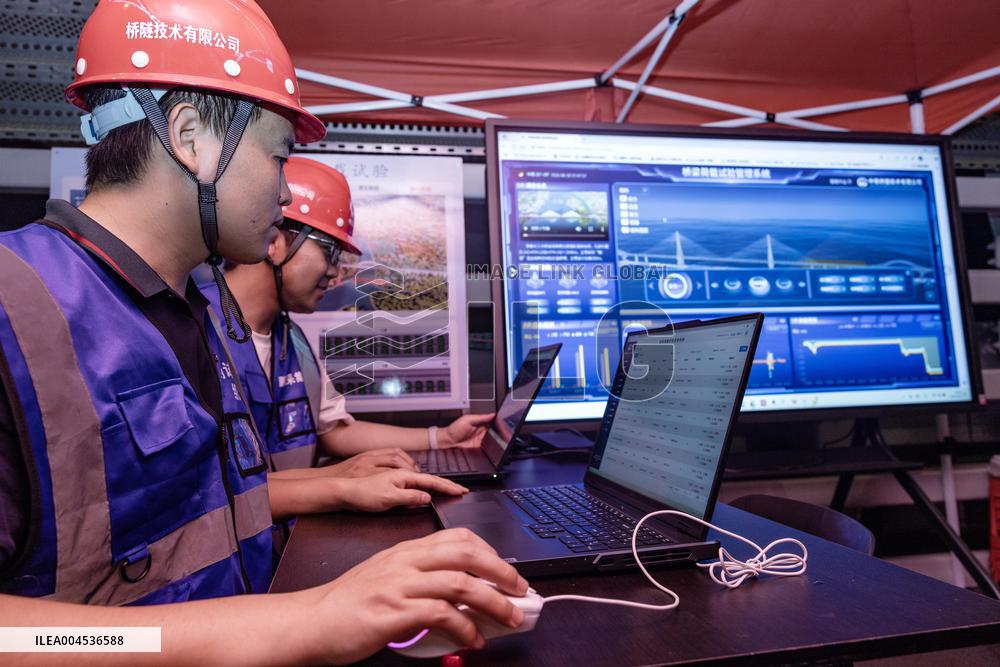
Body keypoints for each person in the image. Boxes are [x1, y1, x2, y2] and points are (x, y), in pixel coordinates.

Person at [0, 1, 527, 662]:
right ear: (192, 136)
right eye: (278, 156)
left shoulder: (192, 307)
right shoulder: (12, 306)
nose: (283, 195)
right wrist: (298, 620)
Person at [217, 155, 494, 474]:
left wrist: (441, 437)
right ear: (276, 242)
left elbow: (332, 431)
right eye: (330, 251)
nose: (335, 272)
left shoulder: (290, 340)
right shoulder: (197, 334)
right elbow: (215, 495)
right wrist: (339, 482)